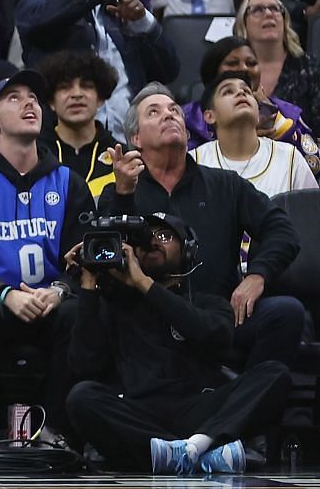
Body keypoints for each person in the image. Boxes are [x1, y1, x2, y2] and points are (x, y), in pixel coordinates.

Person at [65, 205, 292, 474]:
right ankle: (196, 454)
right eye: (146, 237)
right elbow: (84, 365)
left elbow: (216, 339)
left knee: (275, 374)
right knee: (81, 397)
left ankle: (194, 446)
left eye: (164, 236)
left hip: (199, 409)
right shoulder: (116, 304)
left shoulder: (209, 303)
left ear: (188, 250)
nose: (152, 242)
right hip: (138, 410)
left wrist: (145, 285)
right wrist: (89, 285)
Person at [99, 83, 305, 366]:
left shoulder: (225, 184)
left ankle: (246, 399)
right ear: (136, 137)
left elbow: (282, 230)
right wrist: (124, 196)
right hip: (146, 318)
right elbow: (106, 262)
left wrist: (258, 275)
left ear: (186, 132)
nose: (168, 115)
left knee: (287, 313)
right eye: (154, 112)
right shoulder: (119, 191)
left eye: (174, 111)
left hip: (218, 315)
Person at [0, 71, 90, 445]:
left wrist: (59, 289)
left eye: (34, 99)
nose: (29, 104)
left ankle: (57, 431)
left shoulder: (69, 182)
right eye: (14, 98)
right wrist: (6, 293)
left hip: (51, 303)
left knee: (78, 312)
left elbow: (88, 259)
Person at [16, 0, 177, 125]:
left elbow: (169, 71)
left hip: (131, 140)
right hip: (65, 141)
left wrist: (143, 21)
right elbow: (42, 21)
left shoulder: (120, 9)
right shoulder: (35, 3)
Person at [235, 0, 320, 148]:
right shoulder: (234, 68)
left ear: (284, 21)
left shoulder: (308, 66)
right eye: (257, 10)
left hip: (300, 157)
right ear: (243, 24)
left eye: (275, 9)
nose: (268, 13)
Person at [192, 69, 317, 195]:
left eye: (247, 91)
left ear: (258, 110)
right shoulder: (193, 163)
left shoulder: (290, 158)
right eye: (228, 91)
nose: (241, 92)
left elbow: (312, 212)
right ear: (209, 116)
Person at [38, 49, 122, 190]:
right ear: (51, 102)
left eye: (86, 86)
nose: (77, 94)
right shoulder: (34, 155)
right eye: (65, 88)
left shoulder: (120, 157)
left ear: (100, 98)